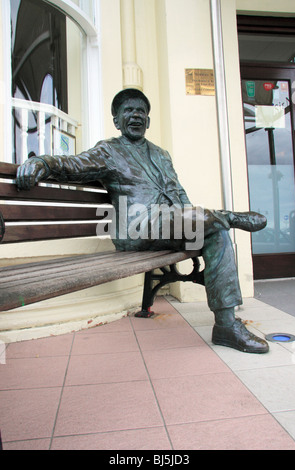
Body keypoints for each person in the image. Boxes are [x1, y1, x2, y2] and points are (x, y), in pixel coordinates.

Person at [16, 88, 269, 353]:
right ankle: (228, 216)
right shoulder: (108, 151)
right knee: (211, 221)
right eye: (128, 110)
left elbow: (179, 193)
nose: (136, 115)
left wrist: (190, 222)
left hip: (172, 225)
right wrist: (43, 162)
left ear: (147, 121)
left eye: (141, 111)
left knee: (217, 235)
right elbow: (73, 165)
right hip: (137, 228)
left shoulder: (161, 154)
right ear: (116, 120)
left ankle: (226, 326)